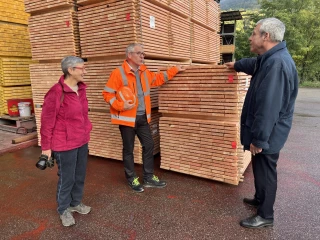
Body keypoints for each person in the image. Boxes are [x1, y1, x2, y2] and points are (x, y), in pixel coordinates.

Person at [225, 18, 298, 228]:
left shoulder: (277, 64)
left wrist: (260, 138)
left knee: (266, 170)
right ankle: (259, 198)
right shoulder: (269, 59)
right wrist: (236, 65)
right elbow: (253, 64)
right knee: (259, 167)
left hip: (270, 132)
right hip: (268, 131)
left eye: (254, 33)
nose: (250, 37)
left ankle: (266, 215)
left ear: (266, 36)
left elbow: (268, 108)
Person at [102, 43, 186, 193]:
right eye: (139, 53)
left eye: (143, 53)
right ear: (129, 55)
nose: (142, 56)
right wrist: (120, 106)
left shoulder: (144, 72)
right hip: (127, 120)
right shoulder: (118, 73)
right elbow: (107, 94)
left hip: (142, 118)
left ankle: (148, 177)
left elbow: (159, 78)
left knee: (149, 145)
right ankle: (131, 178)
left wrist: (175, 70)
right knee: (128, 150)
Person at [40, 56, 93, 227]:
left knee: (79, 176)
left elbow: (83, 115)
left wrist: (87, 130)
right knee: (66, 178)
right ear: (70, 70)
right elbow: (47, 122)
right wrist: (46, 148)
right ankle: (63, 209)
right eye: (82, 68)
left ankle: (75, 203)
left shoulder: (81, 89)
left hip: (81, 140)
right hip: (64, 144)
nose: (85, 71)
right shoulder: (56, 92)